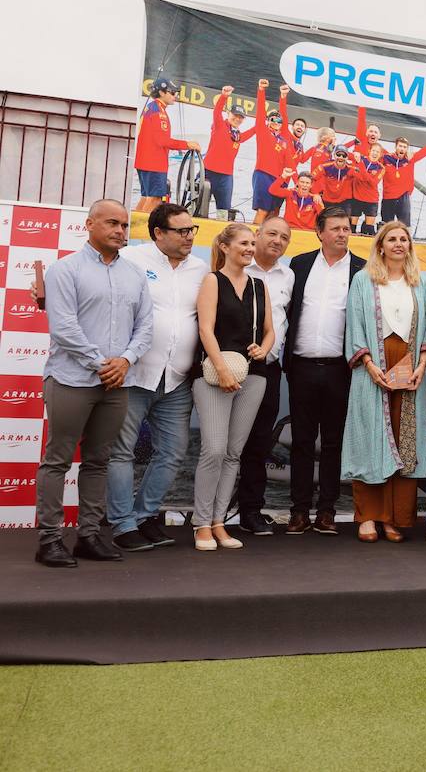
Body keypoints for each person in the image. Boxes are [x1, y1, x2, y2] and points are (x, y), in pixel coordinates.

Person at [33, 200, 152, 567]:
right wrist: (103, 364)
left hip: (118, 382)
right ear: (89, 224)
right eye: (112, 223)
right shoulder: (64, 270)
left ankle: (88, 535)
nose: (120, 230)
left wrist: (126, 361)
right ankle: (49, 540)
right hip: (72, 378)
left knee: (99, 461)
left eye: (124, 225)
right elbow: (63, 326)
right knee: (57, 460)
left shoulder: (135, 273)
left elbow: (145, 327)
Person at [106, 203, 208, 551]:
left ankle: (144, 516)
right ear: (158, 234)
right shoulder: (131, 259)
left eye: (191, 229)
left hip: (177, 379)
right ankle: (122, 525)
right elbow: (88, 278)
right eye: (181, 231)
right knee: (121, 452)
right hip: (133, 374)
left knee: (173, 452)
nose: (189, 237)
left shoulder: (200, 268)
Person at [340, 222, 426, 542]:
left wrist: (422, 365)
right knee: (371, 439)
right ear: (380, 245)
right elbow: (354, 323)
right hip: (373, 370)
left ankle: (394, 518)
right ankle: (368, 517)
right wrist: (368, 364)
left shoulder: (419, 284)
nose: (398, 244)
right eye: (391, 239)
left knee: (403, 443)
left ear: (409, 245)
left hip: (409, 370)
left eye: (403, 239)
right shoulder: (363, 281)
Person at [283, 206, 366, 535]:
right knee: (302, 441)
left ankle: (327, 510)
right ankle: (299, 511)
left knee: (334, 443)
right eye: (335, 229)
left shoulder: (361, 270)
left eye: (346, 228)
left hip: (340, 370)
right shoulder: (299, 264)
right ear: (320, 232)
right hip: (302, 366)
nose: (342, 234)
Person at [191, 223, 272, 551]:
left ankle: (219, 522)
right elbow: (205, 329)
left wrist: (263, 350)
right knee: (213, 449)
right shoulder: (212, 280)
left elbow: (269, 331)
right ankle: (201, 524)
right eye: (244, 243)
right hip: (213, 374)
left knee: (234, 453)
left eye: (253, 243)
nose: (251, 248)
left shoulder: (259, 285)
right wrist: (223, 370)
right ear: (224, 246)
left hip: (253, 375)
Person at [235, 215, 295, 536]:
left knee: (258, 443)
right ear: (257, 235)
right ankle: (212, 515)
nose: (277, 241)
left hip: (268, 371)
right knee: (223, 445)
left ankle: (251, 512)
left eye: (284, 237)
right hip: (230, 367)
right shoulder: (236, 269)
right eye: (271, 234)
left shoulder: (288, 276)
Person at [133, 78, 200, 213]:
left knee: (146, 197)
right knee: (155, 199)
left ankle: (133, 225)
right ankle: (143, 228)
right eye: (172, 92)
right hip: (153, 163)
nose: (175, 95)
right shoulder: (159, 111)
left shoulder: (151, 107)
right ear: (162, 93)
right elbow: (163, 141)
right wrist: (188, 144)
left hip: (144, 161)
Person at [251, 80, 299, 225]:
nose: (276, 122)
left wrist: (283, 97)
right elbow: (260, 112)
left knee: (274, 213)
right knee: (263, 210)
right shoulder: (263, 132)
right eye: (273, 119)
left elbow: (291, 163)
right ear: (267, 121)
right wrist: (261, 90)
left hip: (280, 179)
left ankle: (267, 241)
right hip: (263, 175)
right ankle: (252, 241)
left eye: (279, 120)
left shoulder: (284, 139)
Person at [202, 85, 254, 215]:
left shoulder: (238, 136)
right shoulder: (220, 125)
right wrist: (224, 96)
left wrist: (266, 124)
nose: (237, 119)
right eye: (235, 115)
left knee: (224, 211)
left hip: (226, 177)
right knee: (199, 207)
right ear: (228, 114)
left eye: (240, 117)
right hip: (208, 172)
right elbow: (216, 111)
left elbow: (255, 130)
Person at [380, 132, 426, 226]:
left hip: (403, 196)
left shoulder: (410, 159)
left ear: (407, 149)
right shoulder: (386, 158)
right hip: (388, 196)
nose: (402, 149)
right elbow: (373, 152)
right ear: (395, 147)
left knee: (404, 225)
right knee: (386, 225)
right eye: (400, 146)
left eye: (404, 147)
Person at [349, 142, 385, 236]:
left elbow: (373, 183)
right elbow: (353, 173)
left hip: (371, 199)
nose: (375, 153)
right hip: (357, 197)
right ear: (369, 151)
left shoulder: (381, 168)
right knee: (352, 227)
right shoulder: (361, 159)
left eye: (378, 152)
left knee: (369, 229)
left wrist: (360, 166)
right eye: (373, 150)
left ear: (380, 155)